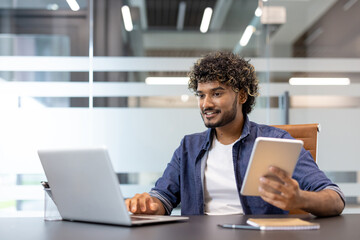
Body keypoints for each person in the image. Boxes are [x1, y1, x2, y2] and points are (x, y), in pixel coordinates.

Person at [125, 51, 345, 217]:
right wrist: (148, 204)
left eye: (217, 93)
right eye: (201, 95)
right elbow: (163, 197)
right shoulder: (189, 147)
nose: (206, 104)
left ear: (241, 96)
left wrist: (300, 198)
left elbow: (335, 198)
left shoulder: (276, 141)